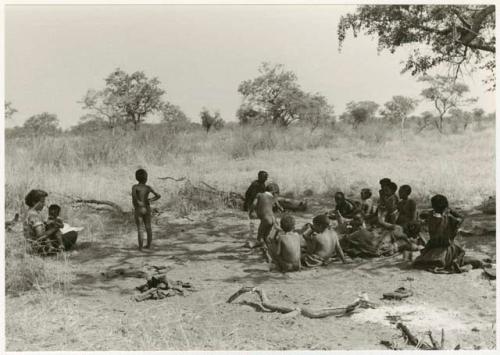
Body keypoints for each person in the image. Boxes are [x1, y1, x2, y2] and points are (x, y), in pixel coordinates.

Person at [413, 194, 469, 271]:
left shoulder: (429, 216)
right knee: (461, 251)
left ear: (433, 206)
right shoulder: (449, 218)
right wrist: (451, 211)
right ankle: (456, 261)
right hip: (445, 244)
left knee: (423, 259)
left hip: (432, 244)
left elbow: (421, 215)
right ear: (445, 206)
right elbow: (461, 218)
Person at [23, 190, 78, 255]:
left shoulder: (28, 212)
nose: (44, 204)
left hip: (33, 245)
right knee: (73, 234)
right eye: (42, 202)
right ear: (34, 202)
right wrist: (55, 228)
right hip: (41, 247)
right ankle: (57, 250)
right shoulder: (34, 216)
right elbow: (40, 236)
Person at [249, 182, 281, 262]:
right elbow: (275, 207)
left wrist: (251, 211)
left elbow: (253, 204)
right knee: (266, 237)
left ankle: (262, 252)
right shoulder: (272, 198)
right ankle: (271, 251)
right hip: (272, 219)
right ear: (273, 192)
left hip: (265, 219)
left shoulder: (259, 195)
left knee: (259, 236)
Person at [132, 169, 161, 250]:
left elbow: (134, 198)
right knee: (148, 227)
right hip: (147, 208)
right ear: (146, 178)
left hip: (138, 209)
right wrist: (150, 200)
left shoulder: (134, 187)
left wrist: (138, 204)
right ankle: (148, 246)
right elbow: (158, 196)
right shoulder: (148, 187)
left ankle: (140, 247)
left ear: (136, 178)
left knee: (140, 229)